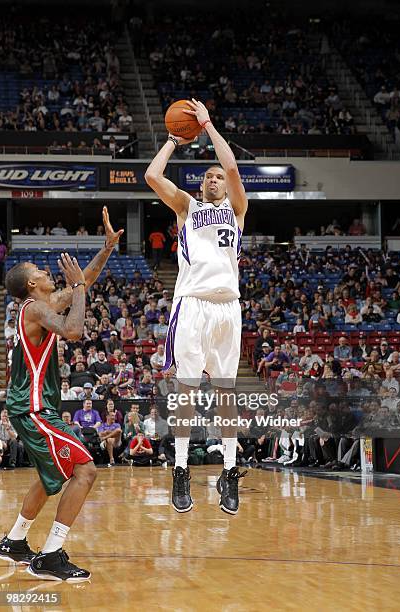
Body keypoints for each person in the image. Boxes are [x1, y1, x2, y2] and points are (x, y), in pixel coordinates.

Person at [0, 207, 123, 581]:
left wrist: (106, 249)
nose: (45, 272)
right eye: (39, 271)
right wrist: (81, 288)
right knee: (85, 470)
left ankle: (15, 540)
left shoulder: (36, 307)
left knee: (49, 475)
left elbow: (83, 281)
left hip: (30, 405)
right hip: (34, 407)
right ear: (31, 286)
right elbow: (73, 331)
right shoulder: (35, 309)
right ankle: (51, 556)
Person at [145, 98, 248, 515]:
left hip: (228, 308)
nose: (213, 179)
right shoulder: (187, 207)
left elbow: (235, 168)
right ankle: (182, 468)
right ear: (200, 184)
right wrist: (172, 141)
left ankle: (229, 470)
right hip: (191, 306)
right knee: (187, 389)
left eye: (217, 176)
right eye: (207, 176)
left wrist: (207, 125)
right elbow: (152, 175)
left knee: (226, 391)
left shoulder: (237, 210)